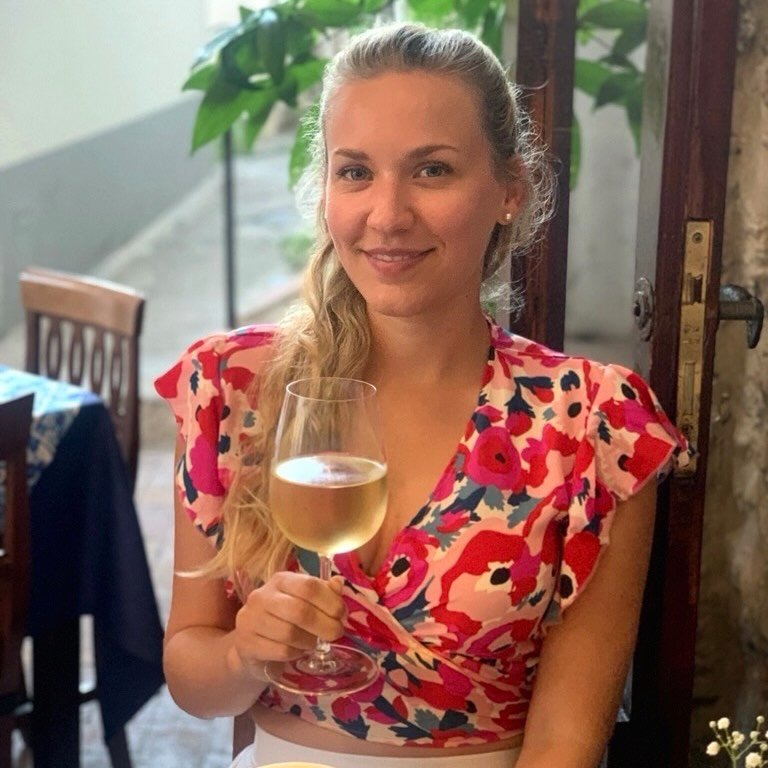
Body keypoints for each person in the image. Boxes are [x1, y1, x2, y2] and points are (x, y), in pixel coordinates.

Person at [155, 22, 690, 768]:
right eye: (355, 172)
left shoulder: (593, 423)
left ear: (509, 190)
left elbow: (566, 742)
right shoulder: (233, 387)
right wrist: (245, 654)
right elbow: (192, 679)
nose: (387, 215)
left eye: (432, 170)